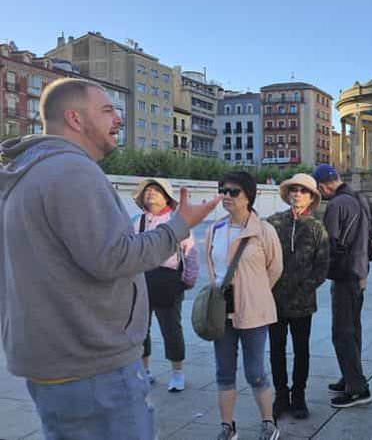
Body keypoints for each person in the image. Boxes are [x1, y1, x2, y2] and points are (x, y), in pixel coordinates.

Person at [0, 78, 219, 440]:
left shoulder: (25, 174)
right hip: (93, 367)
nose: (117, 120)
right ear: (74, 118)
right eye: (106, 111)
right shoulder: (72, 170)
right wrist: (179, 226)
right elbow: (114, 258)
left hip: (52, 364)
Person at [204, 171, 283, 440]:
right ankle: (227, 426)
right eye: (223, 190)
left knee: (255, 372)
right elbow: (212, 269)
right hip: (221, 314)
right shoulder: (214, 229)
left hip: (254, 312)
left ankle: (269, 422)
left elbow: (275, 269)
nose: (226, 196)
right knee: (224, 372)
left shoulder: (264, 231)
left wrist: (255, 293)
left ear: (248, 196)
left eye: (233, 192)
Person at [267, 173, 330, 420]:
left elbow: (322, 265)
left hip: (303, 303)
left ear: (311, 197)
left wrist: (306, 287)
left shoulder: (317, 227)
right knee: (276, 350)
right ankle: (281, 396)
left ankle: (299, 395)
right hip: (274, 301)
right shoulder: (272, 223)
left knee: (301, 350)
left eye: (303, 191)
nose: (297, 194)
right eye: (294, 189)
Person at [312, 163, 372, 408]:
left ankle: (357, 389)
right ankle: (351, 376)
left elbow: (329, 244)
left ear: (323, 185)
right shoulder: (359, 197)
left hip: (345, 275)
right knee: (354, 329)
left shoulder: (336, 204)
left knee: (343, 332)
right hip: (360, 273)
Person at [131, 178, 199, 392]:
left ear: (166, 197)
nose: (151, 193)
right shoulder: (137, 221)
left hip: (169, 282)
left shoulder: (176, 220)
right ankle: (145, 371)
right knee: (140, 329)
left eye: (156, 190)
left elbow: (191, 252)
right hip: (142, 280)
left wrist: (187, 280)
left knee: (171, 328)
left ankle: (177, 372)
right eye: (148, 190)